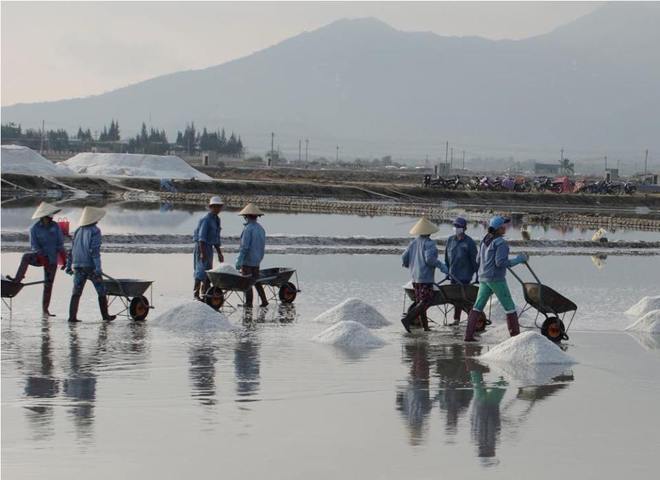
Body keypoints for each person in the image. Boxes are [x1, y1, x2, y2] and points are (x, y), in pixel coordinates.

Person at [464, 216, 528, 342]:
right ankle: (515, 339)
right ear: (499, 228)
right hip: (496, 279)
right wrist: (519, 260)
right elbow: (500, 262)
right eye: (504, 225)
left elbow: (478, 260)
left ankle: (468, 336)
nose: (506, 227)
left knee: (477, 307)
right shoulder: (501, 243)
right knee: (509, 307)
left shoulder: (485, 240)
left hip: (483, 278)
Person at [8, 202, 66, 317]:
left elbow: (60, 244)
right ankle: (17, 279)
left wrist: (64, 259)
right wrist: (41, 256)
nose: (50, 219)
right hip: (39, 258)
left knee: (48, 285)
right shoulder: (34, 228)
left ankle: (45, 310)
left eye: (51, 217)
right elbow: (34, 245)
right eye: (48, 217)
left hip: (52, 260)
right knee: (25, 257)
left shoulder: (55, 227)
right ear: (42, 217)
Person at [65, 207, 116, 323]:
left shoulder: (78, 230)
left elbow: (72, 249)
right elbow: (94, 251)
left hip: (77, 265)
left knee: (76, 292)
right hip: (90, 266)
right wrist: (98, 267)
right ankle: (105, 316)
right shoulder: (95, 231)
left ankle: (72, 317)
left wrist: (69, 266)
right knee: (101, 290)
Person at [400, 217, 448, 332]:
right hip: (425, 278)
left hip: (415, 278)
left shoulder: (413, 243)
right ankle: (408, 319)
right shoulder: (429, 243)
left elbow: (404, 257)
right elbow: (430, 260)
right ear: (429, 232)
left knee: (420, 302)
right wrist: (442, 266)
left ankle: (426, 327)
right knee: (426, 301)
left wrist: (409, 265)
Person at [444, 217, 478, 325]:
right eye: (455, 226)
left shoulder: (469, 242)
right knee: (455, 299)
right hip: (453, 274)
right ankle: (456, 319)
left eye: (458, 226)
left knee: (463, 299)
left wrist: (478, 274)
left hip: (465, 275)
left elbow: (475, 260)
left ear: (464, 228)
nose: (456, 228)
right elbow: (446, 257)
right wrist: (446, 271)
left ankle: (471, 318)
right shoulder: (450, 240)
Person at [235, 203, 267, 308]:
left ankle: (248, 303)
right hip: (257, 259)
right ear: (256, 216)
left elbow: (245, 247)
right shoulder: (261, 229)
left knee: (247, 281)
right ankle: (264, 300)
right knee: (256, 281)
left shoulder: (248, 229)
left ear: (246, 216)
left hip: (248, 260)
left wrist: (239, 261)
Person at [193, 196, 224, 301]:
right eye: (215, 207)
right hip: (202, 247)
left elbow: (216, 238)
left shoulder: (217, 220)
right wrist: (202, 252)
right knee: (200, 271)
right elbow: (201, 238)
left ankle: (205, 293)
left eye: (219, 207)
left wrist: (219, 253)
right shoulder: (206, 219)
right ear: (211, 207)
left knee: (208, 271)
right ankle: (196, 294)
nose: (217, 209)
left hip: (209, 248)